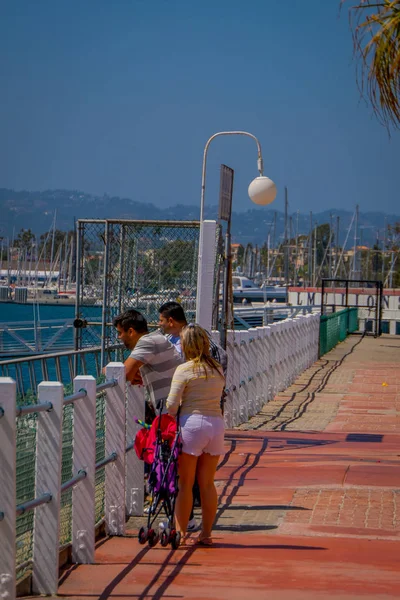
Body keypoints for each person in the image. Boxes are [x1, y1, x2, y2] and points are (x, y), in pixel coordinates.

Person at [158, 301, 228, 532]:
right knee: (207, 484)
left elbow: (171, 405)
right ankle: (206, 533)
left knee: (185, 483)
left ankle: (182, 532)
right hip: (216, 425)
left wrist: (170, 409)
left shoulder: (184, 369)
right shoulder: (217, 368)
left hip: (193, 425)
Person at [113, 309, 183, 412]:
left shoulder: (147, 341)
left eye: (120, 333)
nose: (119, 337)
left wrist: (106, 370)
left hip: (171, 413)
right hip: (176, 409)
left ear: (131, 331)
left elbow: (124, 374)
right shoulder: (156, 338)